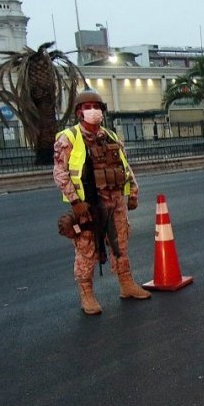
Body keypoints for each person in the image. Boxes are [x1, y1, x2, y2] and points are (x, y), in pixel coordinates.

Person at [53, 89, 150, 315]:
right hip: (88, 205)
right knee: (87, 249)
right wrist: (75, 201)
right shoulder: (68, 138)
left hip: (115, 202)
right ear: (79, 112)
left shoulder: (110, 136)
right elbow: (60, 174)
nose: (93, 111)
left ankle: (126, 284)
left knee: (121, 245)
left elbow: (124, 166)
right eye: (87, 108)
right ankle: (87, 294)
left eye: (96, 107)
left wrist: (133, 192)